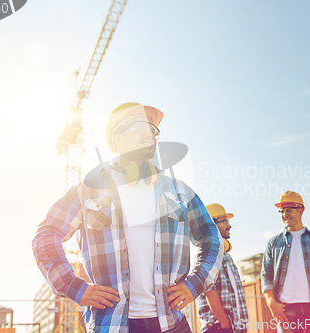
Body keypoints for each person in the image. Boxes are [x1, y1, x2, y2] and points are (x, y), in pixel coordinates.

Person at [32, 103, 224, 333]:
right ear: (117, 139)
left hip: (172, 324)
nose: (149, 134)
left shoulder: (180, 192)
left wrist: (196, 283)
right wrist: (74, 287)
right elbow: (46, 234)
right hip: (111, 325)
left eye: (153, 130)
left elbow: (211, 236)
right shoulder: (86, 191)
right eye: (140, 126)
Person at [261, 191, 310, 333]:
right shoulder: (273, 243)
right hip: (286, 309)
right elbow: (265, 274)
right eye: (282, 211)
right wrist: (270, 301)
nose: (285, 214)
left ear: (301, 210)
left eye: (289, 209)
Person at [197, 204, 249, 333]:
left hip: (234, 327)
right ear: (212, 225)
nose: (229, 225)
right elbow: (209, 291)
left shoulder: (226, 256)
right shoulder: (208, 252)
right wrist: (225, 325)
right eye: (224, 221)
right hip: (220, 328)